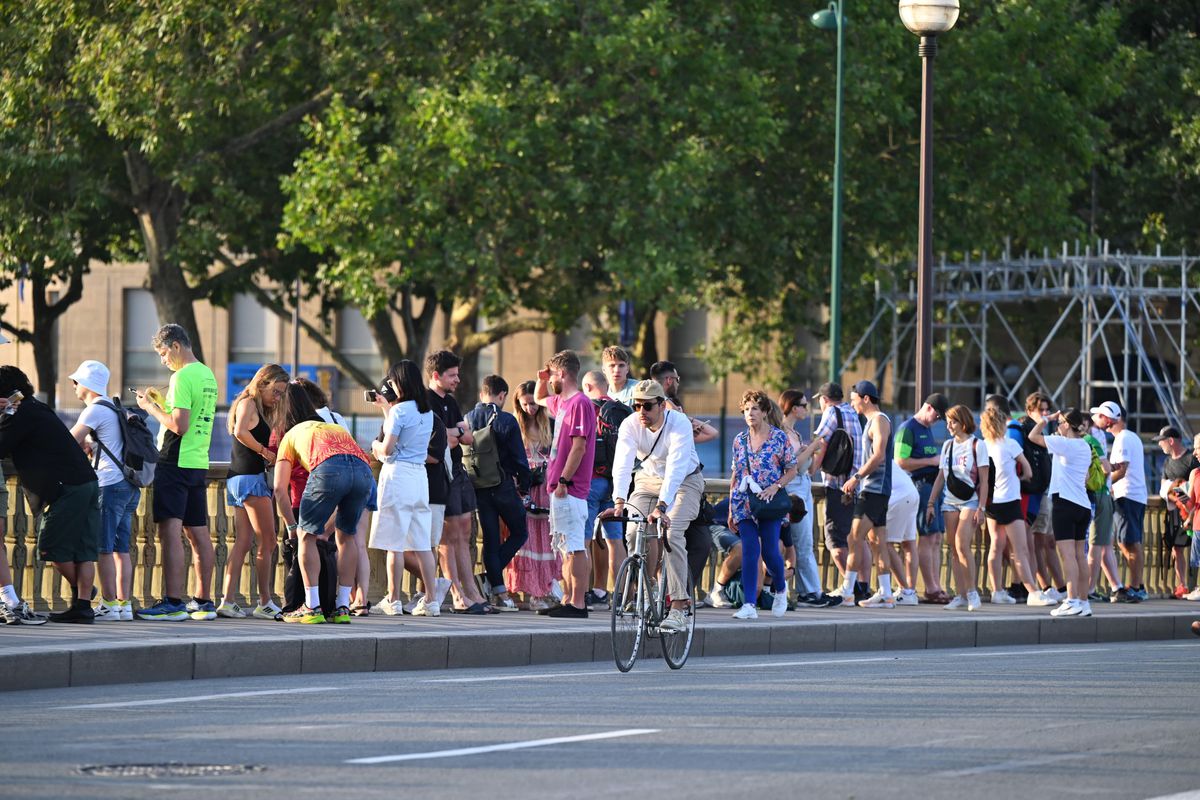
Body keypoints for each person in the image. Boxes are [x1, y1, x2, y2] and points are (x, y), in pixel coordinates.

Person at [0, 366, 101, 623]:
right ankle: (83, 604)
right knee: (82, 550)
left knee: (50, 548)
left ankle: (84, 596)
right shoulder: (38, 408)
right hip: (87, 482)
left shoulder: (20, 414)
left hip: (66, 487)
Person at [607, 380, 705, 632]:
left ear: (662, 405)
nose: (641, 411)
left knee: (671, 532)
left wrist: (662, 506)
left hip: (685, 481)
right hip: (647, 481)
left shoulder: (679, 424)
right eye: (636, 405)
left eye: (647, 406)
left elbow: (676, 467)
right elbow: (622, 463)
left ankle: (679, 606)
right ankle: (646, 585)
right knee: (632, 530)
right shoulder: (630, 424)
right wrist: (619, 500)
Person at [135, 324, 219, 621]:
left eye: (162, 353)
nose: (163, 361)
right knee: (198, 532)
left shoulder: (181, 376)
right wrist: (163, 402)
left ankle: (172, 601)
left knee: (169, 532)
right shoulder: (207, 374)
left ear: (175, 346)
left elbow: (179, 425)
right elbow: (192, 417)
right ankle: (204, 600)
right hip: (198, 460)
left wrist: (149, 408)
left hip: (174, 459)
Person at [273, 383, 373, 623]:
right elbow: (351, 464)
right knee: (346, 537)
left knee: (306, 536)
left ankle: (312, 606)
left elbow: (279, 488)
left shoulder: (291, 434)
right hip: (363, 471)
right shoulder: (333, 426)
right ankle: (341, 608)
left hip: (329, 469)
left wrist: (291, 526)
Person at [67, 360, 140, 622]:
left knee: (104, 548)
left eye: (75, 382)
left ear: (85, 385)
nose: (74, 387)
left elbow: (69, 442)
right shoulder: (114, 407)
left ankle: (108, 603)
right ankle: (124, 605)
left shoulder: (94, 410)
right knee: (122, 548)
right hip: (130, 485)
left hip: (109, 484)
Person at [368, 361, 440, 617]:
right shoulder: (427, 411)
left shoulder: (399, 412)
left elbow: (386, 449)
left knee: (394, 543)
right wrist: (387, 410)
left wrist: (375, 447)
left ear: (400, 382)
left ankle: (394, 599)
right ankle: (432, 600)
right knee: (422, 542)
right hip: (419, 477)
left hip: (397, 475)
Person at [218, 363, 288, 619]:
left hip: (238, 478)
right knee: (268, 541)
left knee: (244, 542)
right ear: (262, 383)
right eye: (276, 391)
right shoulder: (249, 402)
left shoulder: (248, 404)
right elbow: (240, 432)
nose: (278, 397)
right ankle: (265, 601)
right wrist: (265, 452)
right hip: (250, 479)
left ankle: (227, 600)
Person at [425, 350, 489, 612]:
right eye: (451, 375)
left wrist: (453, 432)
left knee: (464, 531)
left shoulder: (450, 403)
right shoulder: (425, 401)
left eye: (457, 374)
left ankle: (473, 592)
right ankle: (459, 595)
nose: (457, 380)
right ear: (436, 375)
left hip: (458, 472)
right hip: (439, 474)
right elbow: (442, 439)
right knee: (446, 536)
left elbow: (468, 437)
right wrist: (454, 433)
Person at [727, 390, 797, 619]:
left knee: (769, 551)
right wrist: (730, 507)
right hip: (743, 502)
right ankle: (748, 604)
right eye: (746, 409)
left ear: (765, 411)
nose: (750, 413)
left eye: (755, 408)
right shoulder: (739, 440)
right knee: (749, 548)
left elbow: (792, 470)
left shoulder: (779, 438)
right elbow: (736, 474)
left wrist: (776, 486)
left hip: (769, 502)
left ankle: (780, 588)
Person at [537, 350, 597, 618]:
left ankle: (578, 603)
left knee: (574, 546)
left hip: (570, 487)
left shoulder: (580, 403)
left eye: (551, 376)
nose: (550, 382)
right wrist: (541, 379)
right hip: (559, 487)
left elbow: (579, 446)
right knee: (564, 547)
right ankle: (567, 599)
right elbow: (539, 398)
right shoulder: (562, 402)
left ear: (562, 374)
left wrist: (564, 479)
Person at [466, 374, 531, 612]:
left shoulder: (467, 418)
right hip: (502, 487)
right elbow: (519, 460)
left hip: (478, 489)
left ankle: (497, 588)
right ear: (502, 395)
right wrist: (524, 486)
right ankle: (489, 578)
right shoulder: (506, 420)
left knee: (491, 541)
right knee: (520, 532)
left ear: (482, 393)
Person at [979, 407, 1057, 607]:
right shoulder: (1010, 444)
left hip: (991, 502)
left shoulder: (981, 446)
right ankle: (1033, 591)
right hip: (1010, 500)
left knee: (995, 547)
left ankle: (997, 590)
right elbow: (1029, 471)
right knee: (1020, 550)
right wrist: (1019, 476)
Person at [1028, 409, 1095, 617]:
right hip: (1082, 504)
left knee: (1067, 556)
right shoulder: (1084, 444)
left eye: (1060, 422)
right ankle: (1084, 602)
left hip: (1064, 503)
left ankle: (1072, 599)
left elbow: (1032, 436)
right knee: (1079, 556)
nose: (1057, 425)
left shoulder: (1065, 444)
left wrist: (1045, 419)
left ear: (1067, 424)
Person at [799, 382, 865, 597]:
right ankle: (862, 588)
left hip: (838, 486)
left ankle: (850, 589)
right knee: (855, 540)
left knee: (835, 541)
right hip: (856, 486)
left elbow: (820, 443)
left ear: (824, 399)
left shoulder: (832, 412)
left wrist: (809, 470)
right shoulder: (853, 412)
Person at [926, 404, 988, 611]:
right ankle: (960, 594)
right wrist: (930, 503)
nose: (949, 425)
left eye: (953, 421)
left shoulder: (977, 445)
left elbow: (985, 481)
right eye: (948, 421)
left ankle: (972, 593)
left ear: (963, 422)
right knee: (953, 549)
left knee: (963, 545)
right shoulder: (947, 446)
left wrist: (982, 507)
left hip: (970, 500)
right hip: (949, 501)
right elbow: (940, 476)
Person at [839, 381, 895, 608]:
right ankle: (886, 593)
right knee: (877, 542)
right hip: (875, 489)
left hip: (874, 488)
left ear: (865, 398)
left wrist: (857, 477)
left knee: (854, 537)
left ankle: (847, 591)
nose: (852, 405)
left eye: (854, 400)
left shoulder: (879, 420)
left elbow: (879, 455)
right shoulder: (873, 421)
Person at [507, 381, 561, 609]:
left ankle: (541, 591)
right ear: (518, 404)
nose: (530, 408)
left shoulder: (550, 424)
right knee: (524, 536)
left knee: (545, 539)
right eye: (526, 404)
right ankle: (523, 590)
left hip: (545, 484)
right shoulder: (514, 426)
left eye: (534, 404)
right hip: (522, 485)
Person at [895, 393, 950, 603]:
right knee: (927, 537)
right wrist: (931, 461)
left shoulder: (926, 429)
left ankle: (935, 585)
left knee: (936, 537)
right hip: (919, 486)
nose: (938, 420)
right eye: (937, 415)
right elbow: (901, 461)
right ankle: (930, 587)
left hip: (932, 486)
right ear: (928, 407)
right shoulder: (908, 429)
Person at [1092, 401, 1148, 600]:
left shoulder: (1123, 438)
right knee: (1130, 542)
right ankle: (1138, 585)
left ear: (1109, 418)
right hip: (1133, 495)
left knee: (1129, 543)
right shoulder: (1128, 437)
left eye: (1099, 416)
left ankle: (1136, 587)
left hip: (1127, 495)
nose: (1096, 420)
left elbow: (1121, 471)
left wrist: (1102, 483)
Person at [579, 369, 624, 609]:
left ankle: (583, 594)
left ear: (587, 387)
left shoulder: (587, 408)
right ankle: (620, 596)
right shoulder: (622, 410)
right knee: (615, 540)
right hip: (617, 484)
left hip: (592, 480)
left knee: (584, 539)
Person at [779, 390, 827, 606]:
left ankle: (812, 591)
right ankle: (810, 592)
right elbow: (795, 467)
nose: (806, 409)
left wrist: (808, 450)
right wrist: (813, 447)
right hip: (794, 490)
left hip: (804, 488)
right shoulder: (782, 432)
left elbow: (804, 466)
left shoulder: (795, 434)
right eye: (804, 405)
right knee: (803, 542)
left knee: (805, 542)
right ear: (793, 407)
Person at [1021, 392, 1065, 599]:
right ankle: (1045, 587)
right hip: (1035, 494)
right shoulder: (1027, 430)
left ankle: (1059, 587)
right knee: (1038, 540)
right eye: (1042, 410)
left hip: (1048, 493)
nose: (1046, 414)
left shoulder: (1047, 433)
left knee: (1048, 541)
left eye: (1048, 410)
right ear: (1030, 411)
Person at [1153, 426, 1198, 598]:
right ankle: (1183, 585)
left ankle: (1196, 586)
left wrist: (1178, 492)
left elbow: (1195, 486)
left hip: (1192, 511)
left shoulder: (1190, 459)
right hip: (1174, 512)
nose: (1160, 445)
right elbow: (1165, 485)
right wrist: (1173, 494)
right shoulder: (1166, 462)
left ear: (1171, 441)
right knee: (1176, 548)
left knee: (1196, 548)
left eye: (1161, 441)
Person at [1084, 415, 1123, 602]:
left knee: (1099, 546)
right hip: (1099, 492)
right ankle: (1089, 589)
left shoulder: (1067, 441)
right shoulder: (1090, 439)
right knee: (1097, 546)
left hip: (1081, 496)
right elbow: (1106, 468)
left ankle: (1115, 587)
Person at [649, 360, 718, 443]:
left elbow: (713, 433)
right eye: (677, 379)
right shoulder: (652, 406)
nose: (678, 384)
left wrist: (688, 420)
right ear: (669, 380)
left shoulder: (674, 410)